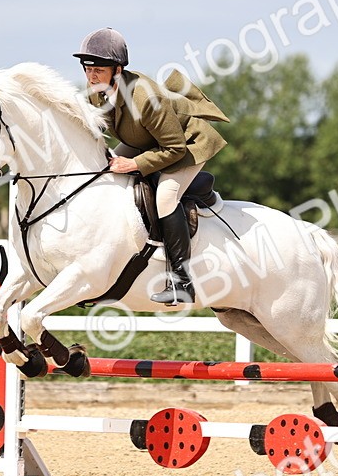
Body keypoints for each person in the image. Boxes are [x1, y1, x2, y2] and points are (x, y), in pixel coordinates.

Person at [74, 27, 229, 305]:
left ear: (117, 69)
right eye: (88, 68)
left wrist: (134, 163)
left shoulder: (147, 98)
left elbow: (174, 148)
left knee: (165, 196)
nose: (91, 75)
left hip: (186, 144)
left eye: (98, 69)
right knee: (102, 173)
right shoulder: (96, 89)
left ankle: (182, 281)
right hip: (143, 138)